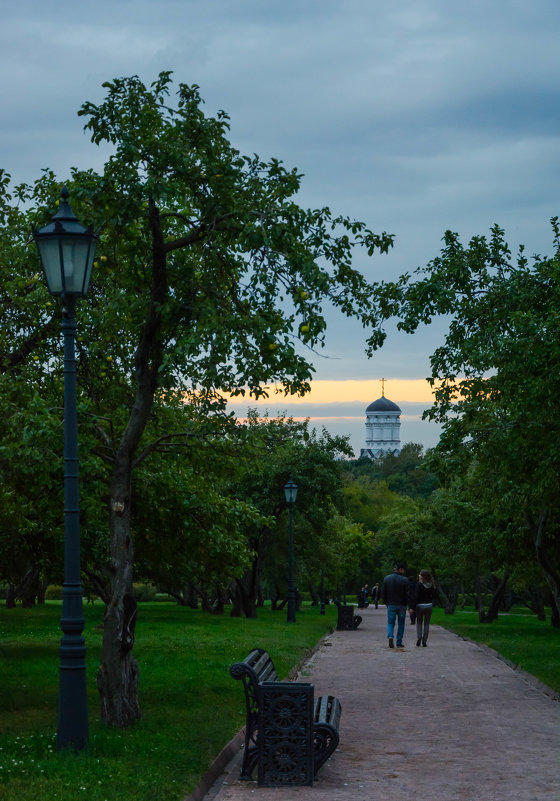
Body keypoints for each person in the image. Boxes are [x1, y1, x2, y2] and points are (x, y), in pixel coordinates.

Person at [382, 561, 409, 648]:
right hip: (402, 605)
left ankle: (390, 636)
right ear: (401, 569)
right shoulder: (405, 580)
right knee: (401, 623)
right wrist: (407, 604)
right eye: (403, 570)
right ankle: (399, 642)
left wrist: (386, 602)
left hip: (391, 604)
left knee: (390, 622)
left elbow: (384, 592)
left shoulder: (387, 578)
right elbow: (407, 593)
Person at [409, 569, 436, 646]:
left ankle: (419, 638)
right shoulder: (431, 584)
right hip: (429, 606)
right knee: (427, 624)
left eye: (420, 574)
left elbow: (416, 596)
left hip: (420, 606)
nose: (419, 575)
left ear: (422, 576)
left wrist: (412, 607)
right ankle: (424, 641)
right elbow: (434, 596)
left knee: (419, 623)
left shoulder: (419, 584)